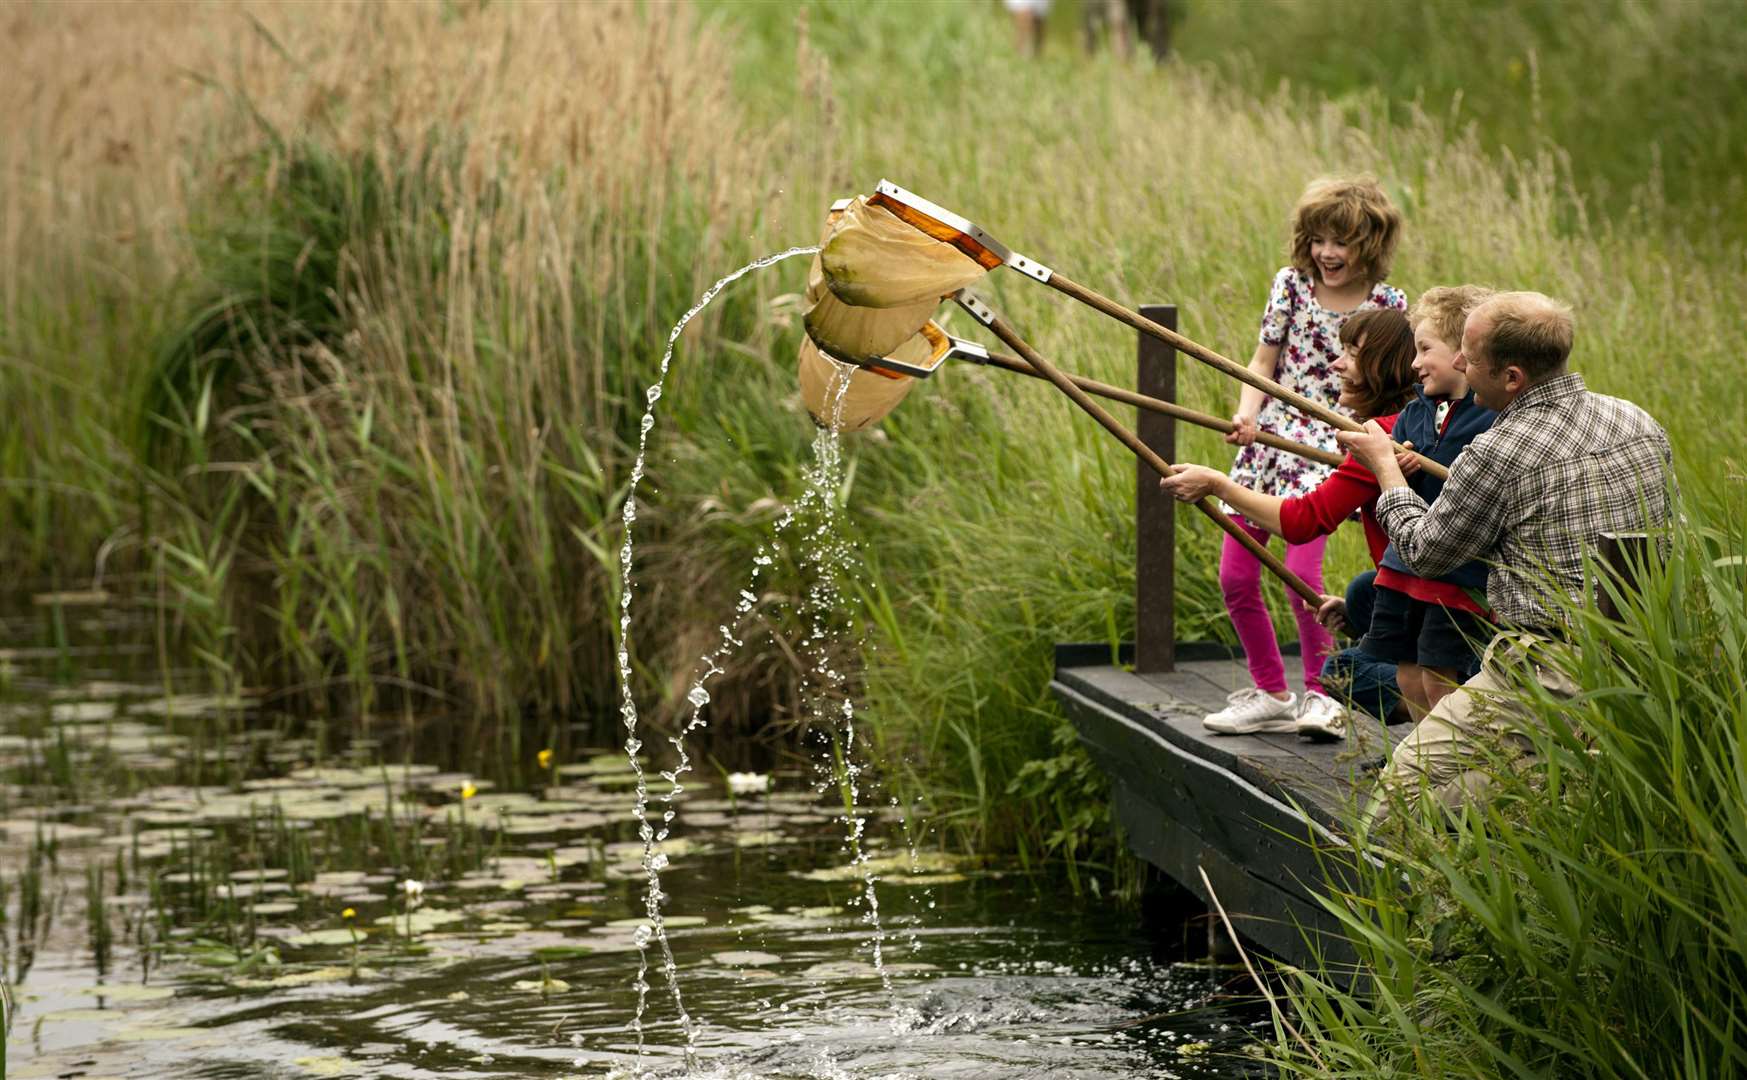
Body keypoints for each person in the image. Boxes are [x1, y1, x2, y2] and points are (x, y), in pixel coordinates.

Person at [1338, 291, 1674, 818]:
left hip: (1544, 667)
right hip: (1644, 651)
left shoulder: (1497, 450)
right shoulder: (1635, 421)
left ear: (1512, 377)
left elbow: (1426, 552)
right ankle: (1560, 780)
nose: (1460, 364)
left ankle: (1558, 787)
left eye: (1469, 357)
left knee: (1392, 807)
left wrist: (1383, 468)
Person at [1207, 176, 1405, 736]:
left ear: (1369, 243)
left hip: (1332, 442)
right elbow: (1263, 359)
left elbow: (1392, 387)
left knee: (1301, 575)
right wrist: (1247, 413)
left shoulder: (1389, 305)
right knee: (1236, 576)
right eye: (1318, 239)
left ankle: (1321, 696)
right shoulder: (1291, 285)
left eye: (1340, 241)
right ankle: (1270, 690)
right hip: (1270, 440)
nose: (1327, 253)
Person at [1162, 306, 1416, 738]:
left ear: (1379, 366)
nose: (1334, 365)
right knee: (1359, 596)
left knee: (1343, 672)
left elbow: (1304, 520)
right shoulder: (1410, 422)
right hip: (1423, 592)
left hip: (1438, 605)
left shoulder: (1381, 440)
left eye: (1350, 355)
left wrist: (1218, 485)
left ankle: (1438, 720)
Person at [1357, 286, 1498, 722]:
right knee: (1408, 672)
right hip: (1405, 565)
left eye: (1424, 350)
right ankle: (1418, 762)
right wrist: (1397, 466)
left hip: (1456, 571)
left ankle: (1449, 762)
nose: (1415, 364)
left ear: (1462, 352)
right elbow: (1396, 491)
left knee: (1441, 678)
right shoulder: (1414, 413)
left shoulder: (1491, 417)